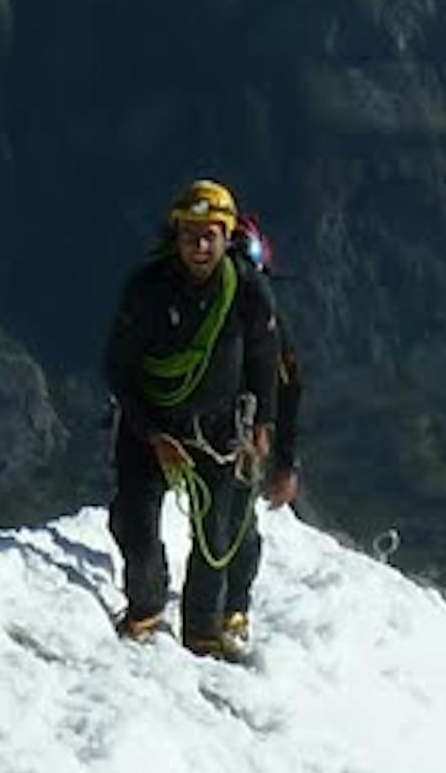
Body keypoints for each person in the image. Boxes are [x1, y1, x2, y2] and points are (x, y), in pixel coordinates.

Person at [102, 177, 302, 656]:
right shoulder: (149, 290)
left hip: (218, 430)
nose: (200, 244)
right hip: (150, 427)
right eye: (191, 233)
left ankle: (202, 630)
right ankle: (146, 608)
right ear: (177, 235)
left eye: (210, 234)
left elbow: (264, 362)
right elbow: (118, 368)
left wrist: (262, 427)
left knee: (219, 535)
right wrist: (153, 434)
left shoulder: (248, 290)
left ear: (225, 234)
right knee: (137, 521)